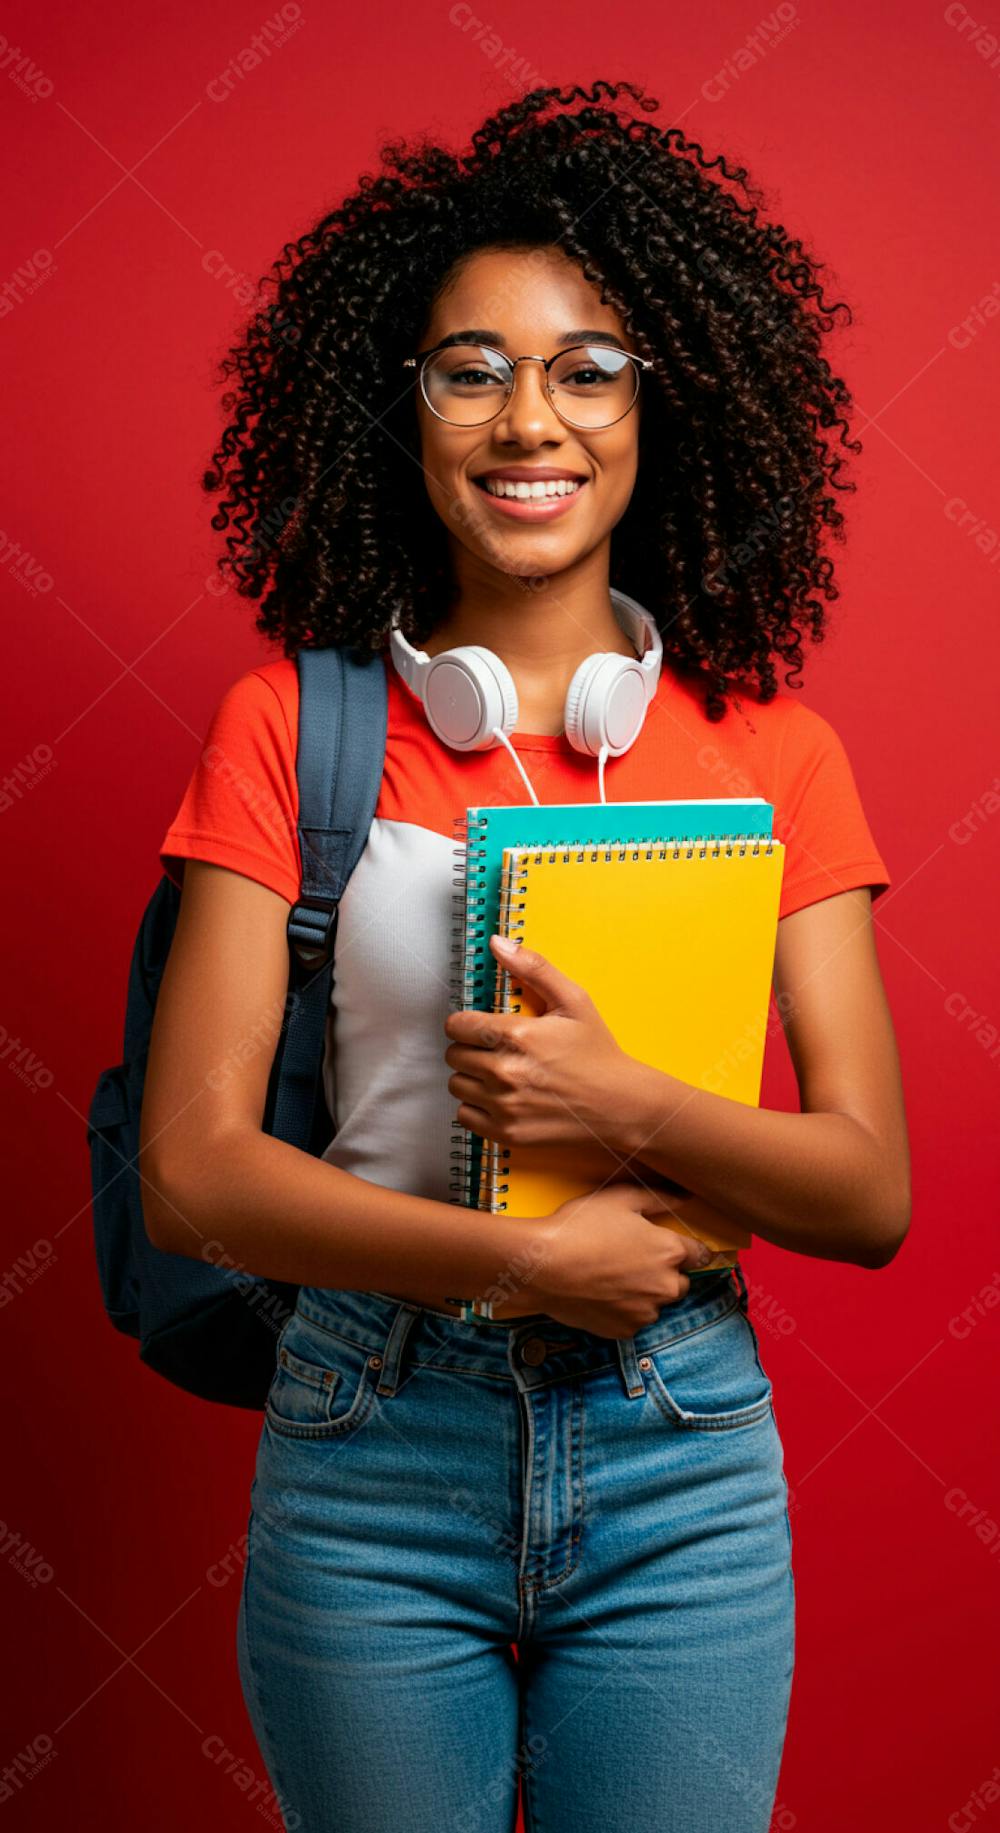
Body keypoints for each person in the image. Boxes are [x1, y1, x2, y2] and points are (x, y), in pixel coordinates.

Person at [139, 79, 910, 1833]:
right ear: (398, 409)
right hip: (371, 1447)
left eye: (586, 365)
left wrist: (620, 1099)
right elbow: (191, 1172)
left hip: (681, 1453)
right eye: (469, 367)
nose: (526, 418)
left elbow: (868, 1191)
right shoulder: (286, 730)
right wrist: (519, 1267)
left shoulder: (771, 754)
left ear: (665, 404)